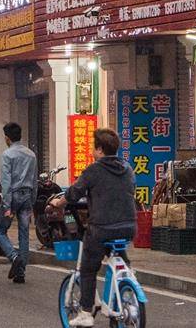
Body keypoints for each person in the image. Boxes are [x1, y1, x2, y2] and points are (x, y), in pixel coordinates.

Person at [61, 128, 138, 328]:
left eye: (94, 148)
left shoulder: (93, 170)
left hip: (102, 229)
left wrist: (57, 203)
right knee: (118, 254)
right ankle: (127, 276)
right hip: (129, 228)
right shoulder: (127, 168)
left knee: (88, 268)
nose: (92, 151)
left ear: (100, 150)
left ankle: (86, 312)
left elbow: (73, 194)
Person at [0, 122, 37, 284]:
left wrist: (7, 205)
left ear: (7, 138)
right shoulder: (31, 154)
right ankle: (21, 273)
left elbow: (6, 182)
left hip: (13, 196)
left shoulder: (7, 155)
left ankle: (14, 256)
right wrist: (32, 201)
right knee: (24, 233)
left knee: (0, 230)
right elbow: (34, 180)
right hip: (27, 196)